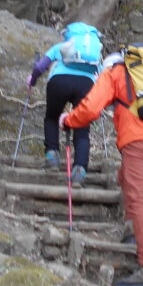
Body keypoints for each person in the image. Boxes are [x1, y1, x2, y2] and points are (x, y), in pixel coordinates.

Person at [59, 52, 143, 286]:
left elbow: (91, 108)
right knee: (126, 177)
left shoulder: (115, 74)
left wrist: (69, 120)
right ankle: (132, 229)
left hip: (137, 141)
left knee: (139, 198)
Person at [26, 23, 102, 187]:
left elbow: (40, 66)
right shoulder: (93, 53)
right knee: (82, 129)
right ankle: (79, 171)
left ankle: (52, 156)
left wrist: (32, 80)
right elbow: (102, 74)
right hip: (86, 85)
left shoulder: (61, 47)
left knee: (52, 118)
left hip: (59, 81)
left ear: (69, 35)